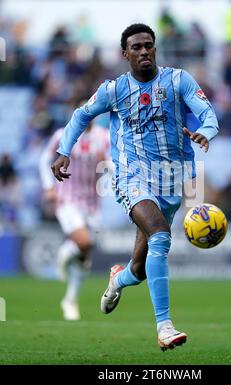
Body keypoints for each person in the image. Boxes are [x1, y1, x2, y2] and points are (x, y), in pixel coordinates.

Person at [51, 24, 219, 349]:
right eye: (137, 47)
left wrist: (205, 133)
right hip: (131, 176)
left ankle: (119, 278)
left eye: (149, 46)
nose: (144, 51)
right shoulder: (114, 90)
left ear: (155, 49)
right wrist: (63, 152)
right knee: (160, 236)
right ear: (125, 53)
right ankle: (164, 326)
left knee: (140, 268)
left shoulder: (178, 80)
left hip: (170, 179)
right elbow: (81, 115)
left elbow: (208, 115)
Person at [40, 102, 109, 320]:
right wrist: (49, 187)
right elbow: (44, 159)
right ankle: (65, 252)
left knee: (85, 254)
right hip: (67, 199)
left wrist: (108, 167)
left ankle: (70, 299)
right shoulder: (64, 133)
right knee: (85, 242)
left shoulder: (103, 136)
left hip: (92, 203)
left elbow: (112, 162)